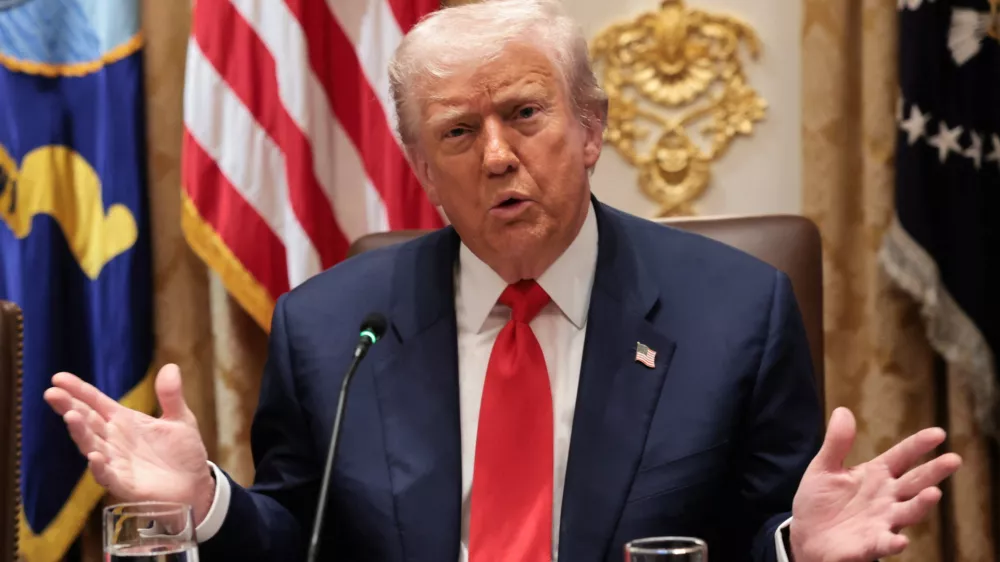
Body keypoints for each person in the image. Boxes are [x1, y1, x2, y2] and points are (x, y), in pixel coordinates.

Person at [44, 1, 961, 560]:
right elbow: (299, 541)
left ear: (591, 130)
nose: (495, 156)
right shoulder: (329, 331)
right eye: (456, 132)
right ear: (419, 165)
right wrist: (205, 504)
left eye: (525, 114)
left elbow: (760, 534)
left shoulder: (736, 314)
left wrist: (801, 549)